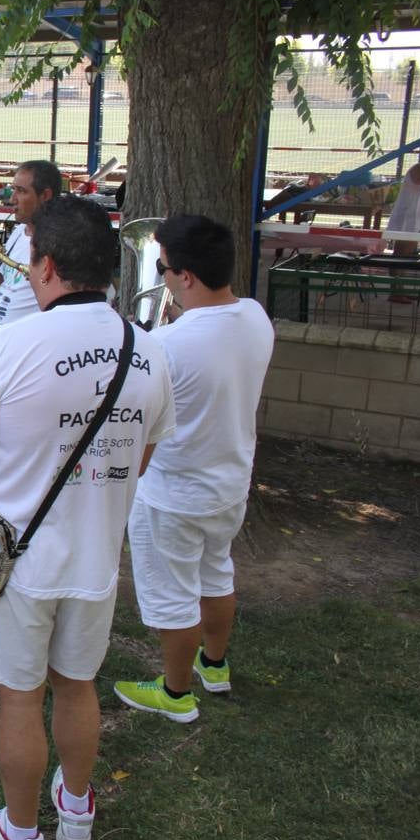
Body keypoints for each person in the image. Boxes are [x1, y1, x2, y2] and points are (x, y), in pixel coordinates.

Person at [0, 195, 174, 840]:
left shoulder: (11, 344)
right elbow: (143, 458)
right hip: (95, 558)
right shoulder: (148, 351)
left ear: (44, 267)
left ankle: (18, 831)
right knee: (78, 686)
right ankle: (75, 812)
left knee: (19, 698)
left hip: (16, 563)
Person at [112, 215, 274, 723]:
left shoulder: (168, 345)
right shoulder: (255, 316)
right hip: (229, 483)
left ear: (184, 277)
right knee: (216, 572)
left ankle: (176, 694)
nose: (159, 277)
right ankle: (215, 665)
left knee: (174, 595)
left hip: (173, 493)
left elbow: (137, 419)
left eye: (161, 269)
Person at [0, 159, 61, 326]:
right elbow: (1, 276)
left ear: (45, 196)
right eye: (13, 189)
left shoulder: (60, 241)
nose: (12, 199)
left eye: (21, 191)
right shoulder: (19, 231)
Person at [388, 145, 420, 256]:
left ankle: (400, 271)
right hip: (407, 215)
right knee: (403, 252)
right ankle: (397, 272)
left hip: (414, 215)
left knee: (408, 251)